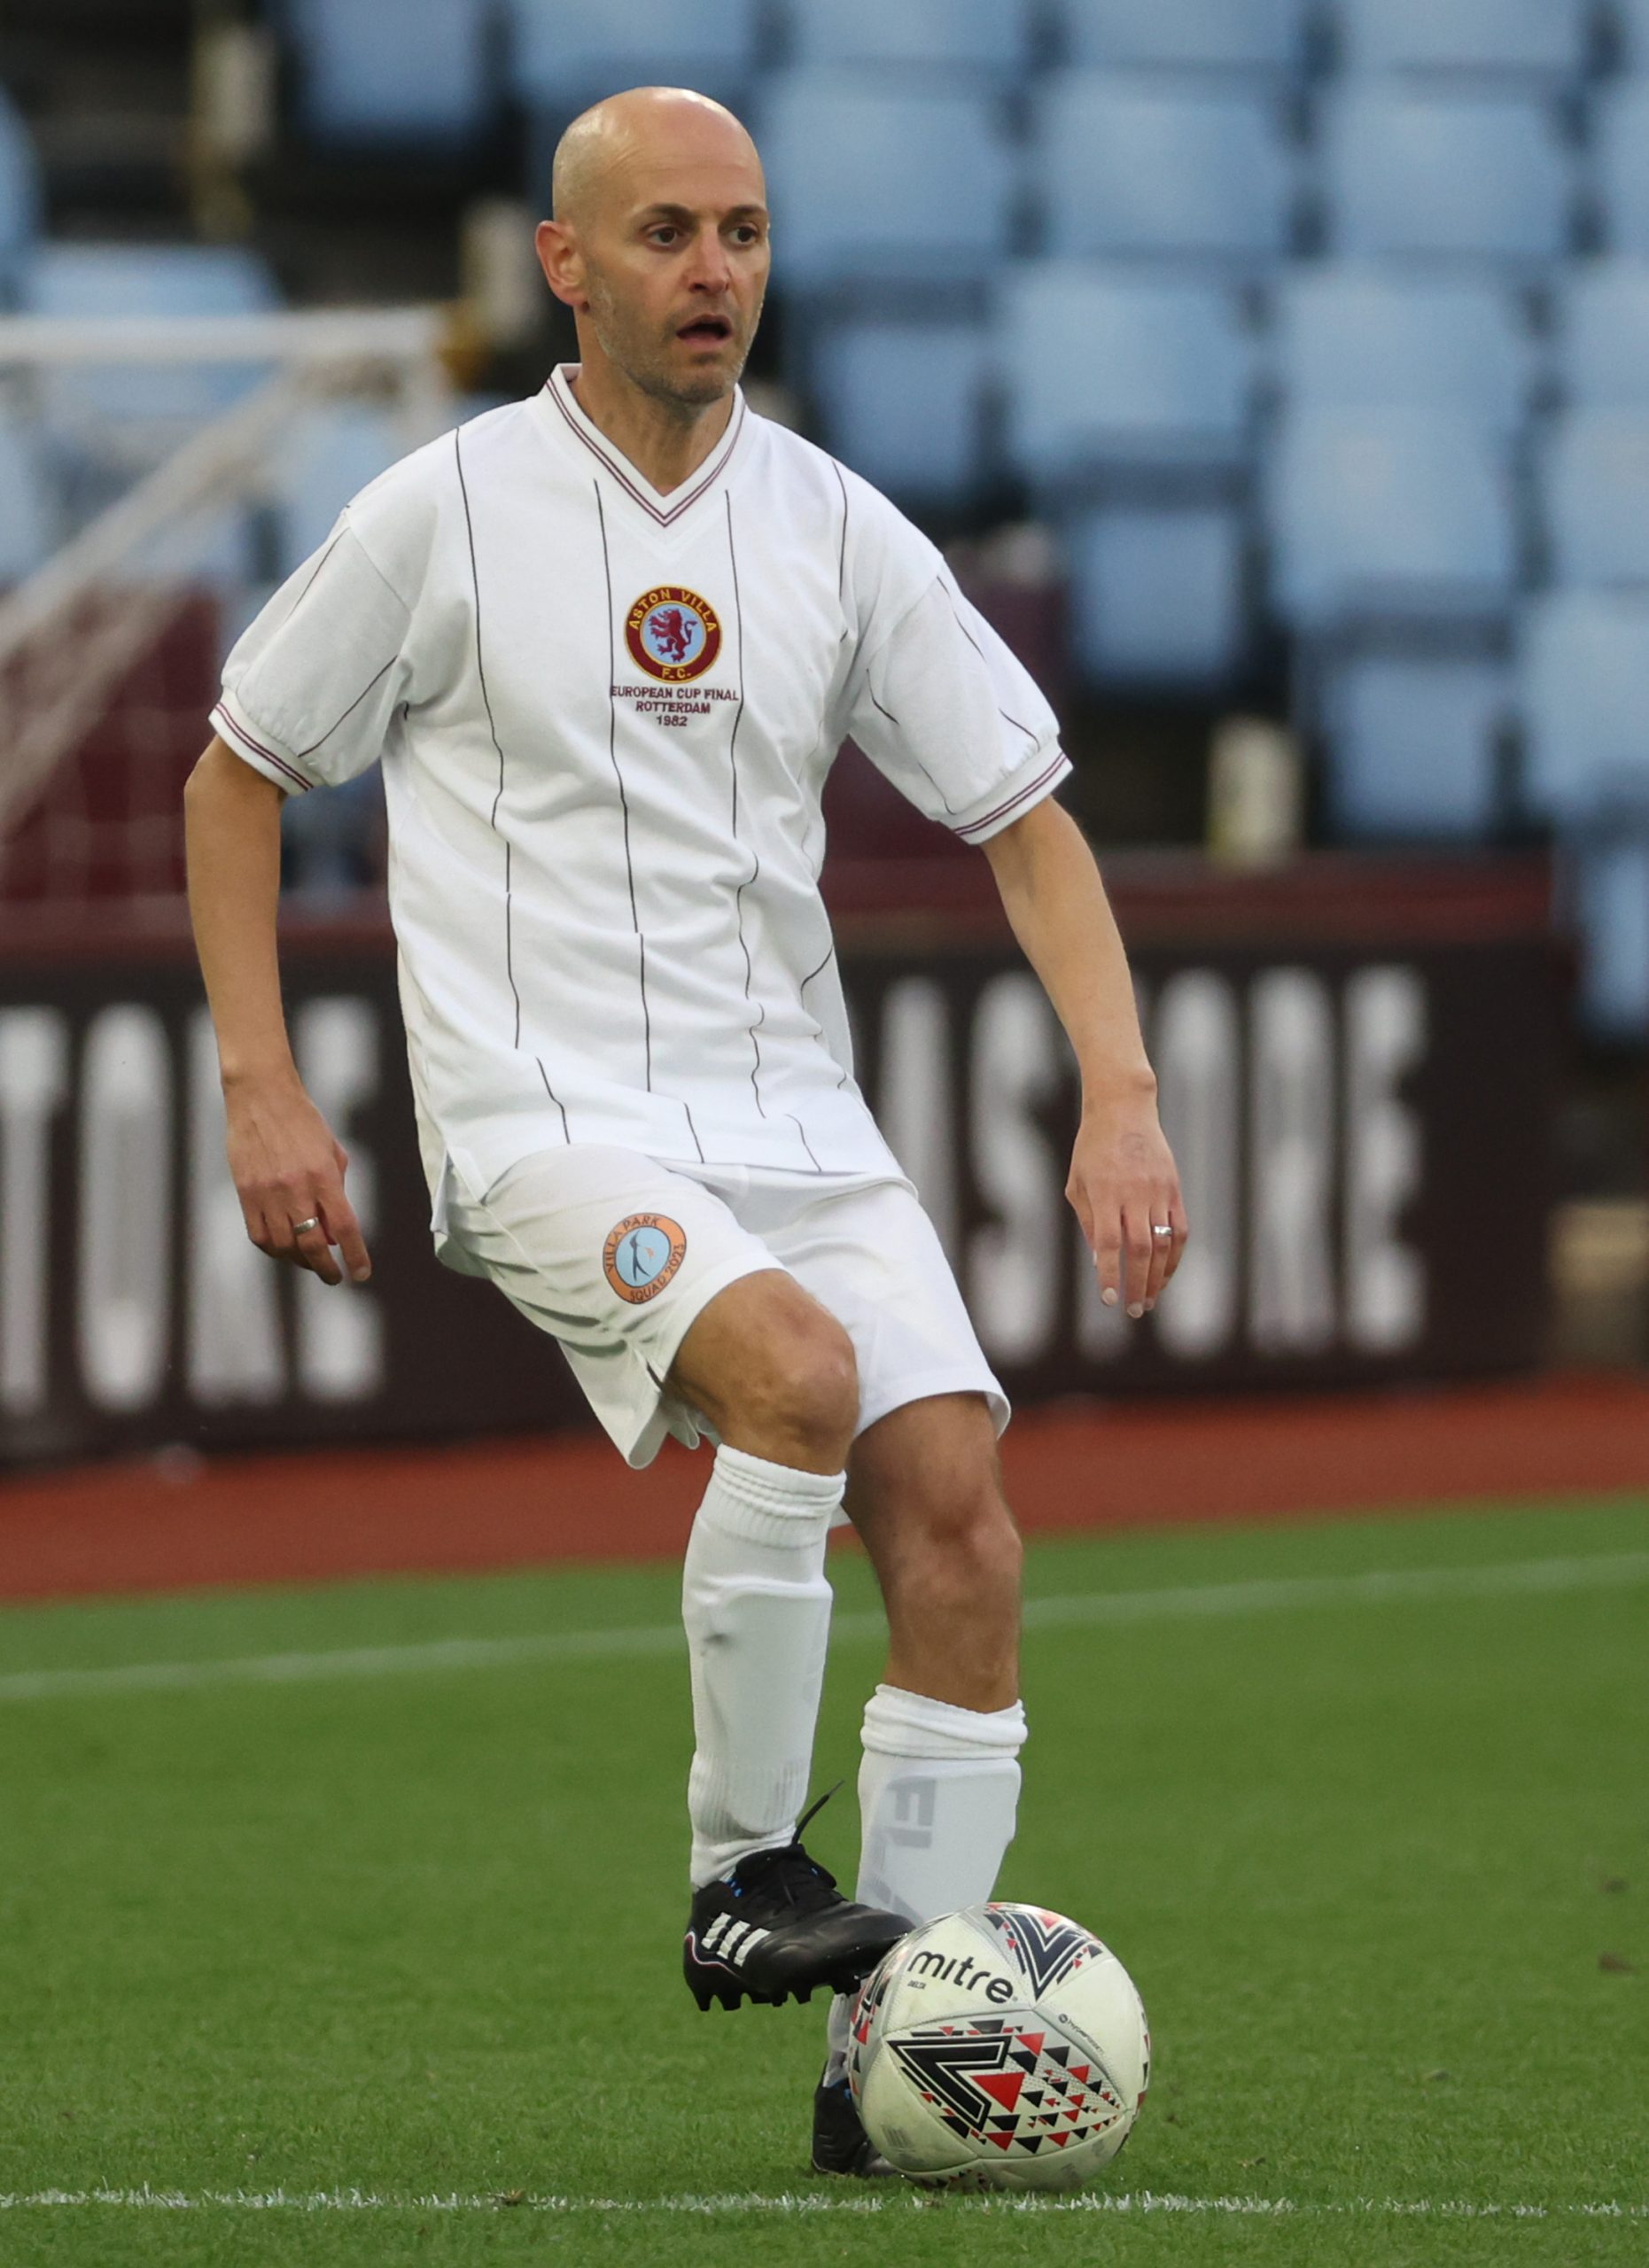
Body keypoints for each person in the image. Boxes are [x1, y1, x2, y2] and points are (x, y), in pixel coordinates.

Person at [183, 86, 1187, 2179]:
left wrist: (1122, 1089)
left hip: (795, 1115)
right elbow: (235, 771)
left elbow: (1026, 821)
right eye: (664, 233)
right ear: (566, 264)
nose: (713, 269)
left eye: (740, 231)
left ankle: (892, 2067)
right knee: (795, 1377)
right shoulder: (443, 512)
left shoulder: (832, 523)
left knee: (960, 1526)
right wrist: (260, 1082)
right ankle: (742, 1865)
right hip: (541, 1113)